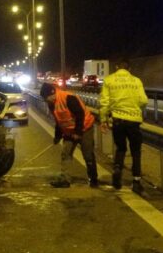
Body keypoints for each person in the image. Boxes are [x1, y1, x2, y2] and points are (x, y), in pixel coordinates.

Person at [99, 60, 148, 194]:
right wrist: (137, 109)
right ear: (129, 69)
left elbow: (104, 102)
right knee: (136, 151)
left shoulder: (109, 80)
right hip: (134, 120)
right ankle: (136, 181)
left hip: (118, 120)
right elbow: (144, 100)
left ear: (116, 67)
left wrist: (103, 120)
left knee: (120, 148)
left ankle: (117, 169)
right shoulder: (136, 81)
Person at [39, 82, 99, 188]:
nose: (46, 100)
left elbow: (80, 114)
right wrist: (57, 136)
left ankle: (93, 178)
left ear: (52, 93)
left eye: (47, 98)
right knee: (66, 154)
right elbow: (58, 120)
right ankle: (65, 179)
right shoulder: (51, 104)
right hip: (68, 131)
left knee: (88, 155)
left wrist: (78, 132)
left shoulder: (67, 97)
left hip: (85, 128)